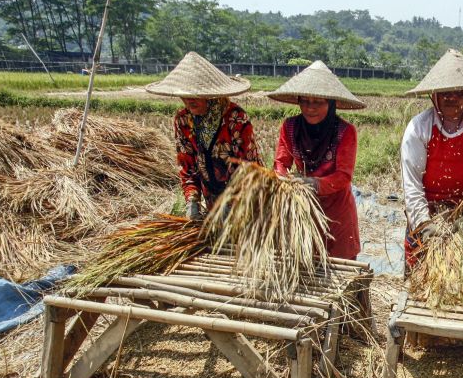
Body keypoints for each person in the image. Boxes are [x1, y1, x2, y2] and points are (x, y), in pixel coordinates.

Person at [399, 49, 463, 270]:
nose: (450, 98)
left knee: (461, 283)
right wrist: (424, 224)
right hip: (424, 215)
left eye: (457, 92)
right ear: (434, 95)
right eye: (444, 92)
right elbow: (412, 182)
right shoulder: (419, 127)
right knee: (418, 283)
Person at [146, 51, 260, 220]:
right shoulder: (183, 120)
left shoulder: (235, 118)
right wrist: (192, 200)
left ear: (211, 94)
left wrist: (232, 203)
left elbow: (247, 167)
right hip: (212, 199)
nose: (189, 100)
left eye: (196, 95)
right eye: (185, 95)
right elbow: (187, 165)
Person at [269, 61, 365, 261]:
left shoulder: (345, 131)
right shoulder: (290, 127)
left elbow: (343, 176)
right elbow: (281, 162)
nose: (310, 108)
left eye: (318, 102)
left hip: (337, 210)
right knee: (306, 262)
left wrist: (314, 183)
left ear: (331, 104)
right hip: (304, 208)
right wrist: (284, 180)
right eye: (305, 101)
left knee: (341, 267)